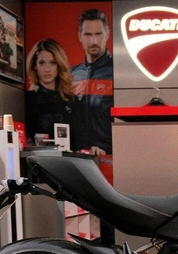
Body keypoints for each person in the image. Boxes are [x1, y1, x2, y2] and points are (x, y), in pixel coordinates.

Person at [71, 9, 114, 156]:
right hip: (76, 157)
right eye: (88, 35)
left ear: (107, 34)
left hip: (109, 157)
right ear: (80, 36)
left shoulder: (117, 73)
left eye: (98, 34)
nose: (94, 41)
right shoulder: (71, 75)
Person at [25, 38, 77, 149]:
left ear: (59, 65)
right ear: (35, 66)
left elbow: (80, 139)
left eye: (53, 63)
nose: (47, 69)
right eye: (42, 63)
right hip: (38, 158)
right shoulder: (27, 100)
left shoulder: (71, 100)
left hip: (69, 158)